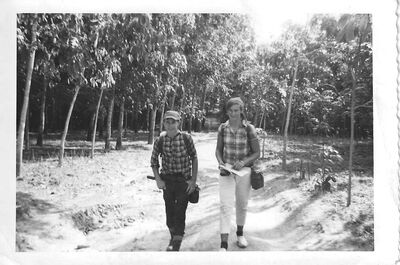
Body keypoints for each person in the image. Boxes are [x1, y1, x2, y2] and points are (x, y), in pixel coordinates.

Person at [215, 97, 260, 251]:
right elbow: (218, 150)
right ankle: (223, 245)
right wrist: (221, 163)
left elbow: (257, 153)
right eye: (230, 111)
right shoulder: (223, 128)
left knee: (242, 204)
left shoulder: (249, 128)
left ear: (241, 111)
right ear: (227, 111)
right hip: (226, 170)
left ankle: (240, 234)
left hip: (244, 172)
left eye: (236, 110)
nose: (233, 114)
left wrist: (244, 162)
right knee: (225, 206)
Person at [150, 110, 198, 251]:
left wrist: (193, 180)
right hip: (167, 182)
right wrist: (158, 180)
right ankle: (173, 234)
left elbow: (194, 157)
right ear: (164, 122)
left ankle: (177, 241)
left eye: (173, 122)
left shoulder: (186, 138)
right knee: (169, 212)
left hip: (183, 181)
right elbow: (153, 161)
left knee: (180, 210)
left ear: (178, 123)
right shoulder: (160, 140)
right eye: (167, 121)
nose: (170, 125)